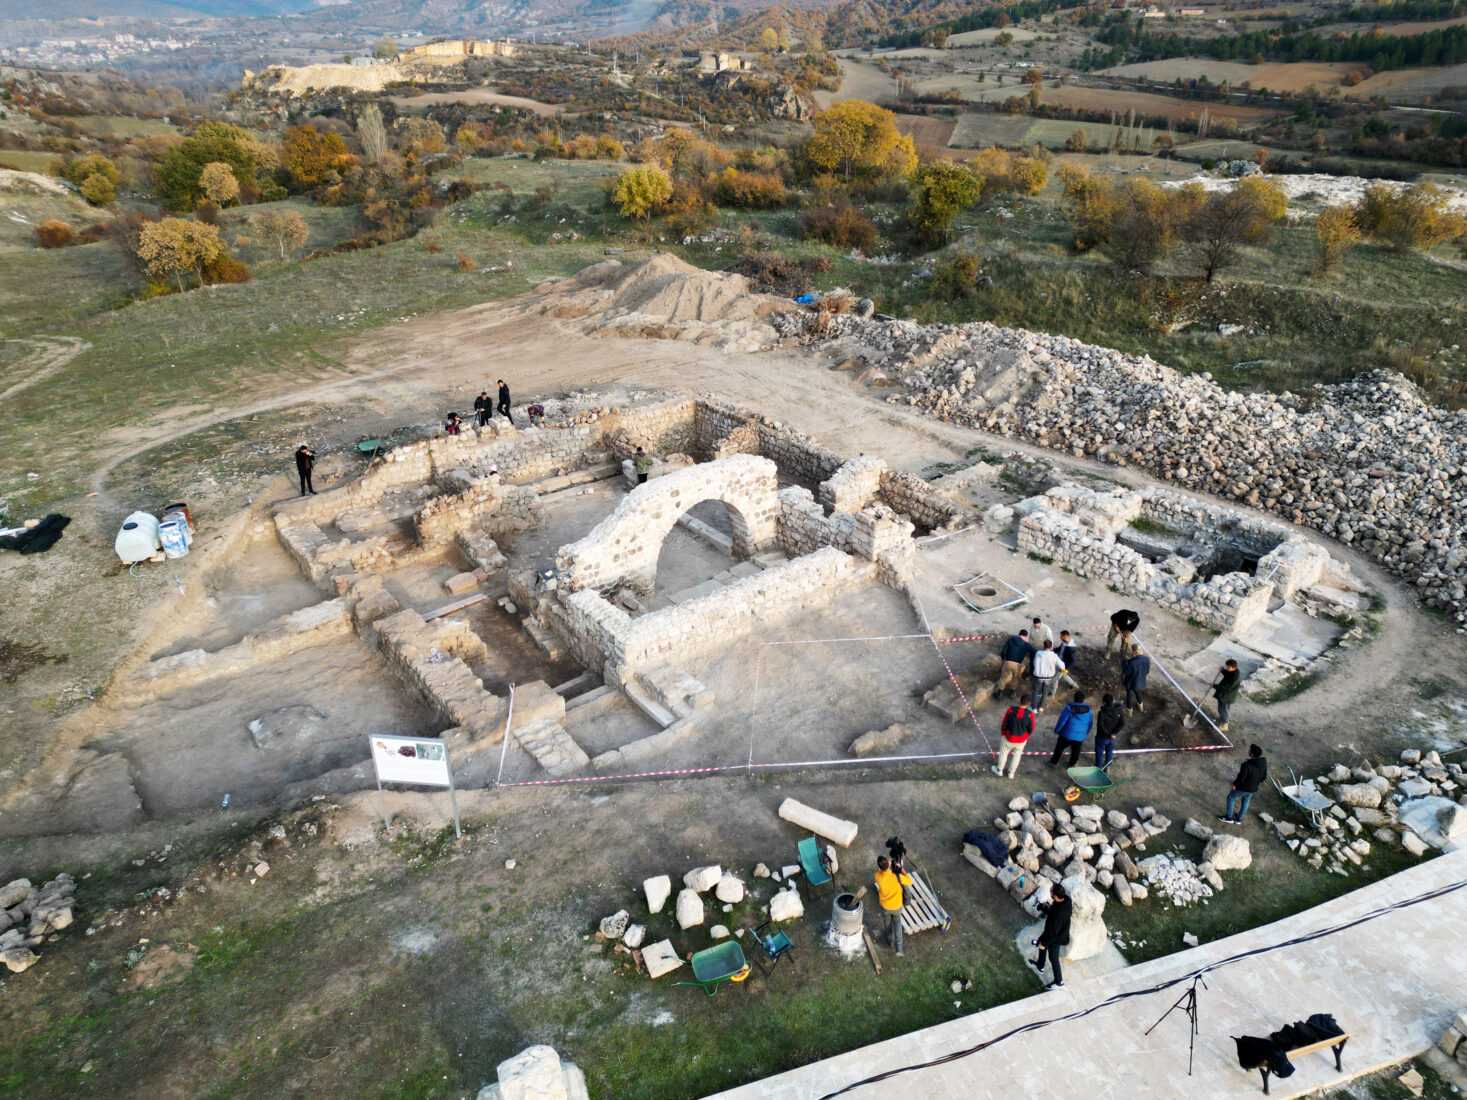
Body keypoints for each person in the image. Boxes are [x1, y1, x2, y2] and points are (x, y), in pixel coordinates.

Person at [1031, 883, 1071, 989]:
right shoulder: (1066, 900)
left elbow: (1053, 932)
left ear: (1056, 896)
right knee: (1040, 943)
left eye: (1051, 892)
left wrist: (1045, 944)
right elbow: (1053, 913)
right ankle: (1040, 966)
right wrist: (1045, 908)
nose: (1050, 892)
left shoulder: (1060, 913)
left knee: (1053, 957)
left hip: (1056, 937)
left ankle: (1059, 981)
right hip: (1052, 931)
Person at [874, 854, 912, 958]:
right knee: (897, 924)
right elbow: (909, 881)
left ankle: (890, 942)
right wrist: (902, 869)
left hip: (885, 907)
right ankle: (899, 948)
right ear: (889, 864)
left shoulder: (878, 877)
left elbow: (882, 872)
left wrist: (887, 865)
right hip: (896, 907)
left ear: (879, 868)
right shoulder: (897, 877)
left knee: (887, 924)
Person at [1220, 744, 1268, 824]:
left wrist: (1235, 785)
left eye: (1249, 750)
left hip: (1244, 788)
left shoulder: (1246, 765)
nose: (1248, 751)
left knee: (1230, 798)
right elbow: (1264, 777)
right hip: (1253, 788)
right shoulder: (1263, 764)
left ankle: (1229, 817)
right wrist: (1255, 782)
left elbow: (1241, 778)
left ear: (1252, 754)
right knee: (1246, 801)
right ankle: (1238, 818)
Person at [1046, 692, 1093, 769]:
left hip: (1067, 734)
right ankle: (1072, 764)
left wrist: (1057, 731)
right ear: (1083, 700)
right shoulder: (1089, 710)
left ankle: (1054, 762)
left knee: (1059, 747)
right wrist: (1085, 733)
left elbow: (1062, 721)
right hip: (1080, 736)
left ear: (1074, 699)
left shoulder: (1068, 708)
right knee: (1076, 750)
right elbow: (1090, 723)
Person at [994, 694, 1035, 779]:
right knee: (1017, 755)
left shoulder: (1010, 711)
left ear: (1020, 701)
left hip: (1009, 737)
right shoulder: (1030, 715)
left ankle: (999, 770)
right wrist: (1025, 736)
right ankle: (1011, 773)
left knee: (1003, 753)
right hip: (1021, 740)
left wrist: (1003, 733)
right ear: (1029, 704)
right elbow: (1031, 729)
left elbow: (1004, 724)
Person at [994, 630, 1034, 700]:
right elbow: (1034, 651)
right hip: (1017, 664)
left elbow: (1003, 650)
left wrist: (1003, 658)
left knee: (1003, 678)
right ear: (1026, 636)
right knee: (1015, 678)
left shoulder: (1011, 640)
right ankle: (1012, 693)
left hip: (1008, 662)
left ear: (1019, 634)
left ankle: (1000, 693)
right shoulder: (1027, 645)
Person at [1030, 639, 1063, 712]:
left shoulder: (1038, 653)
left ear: (1043, 646)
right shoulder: (1054, 655)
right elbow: (1062, 665)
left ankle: (1034, 708)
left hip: (1038, 676)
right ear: (1051, 647)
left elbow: (1034, 663)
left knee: (1035, 691)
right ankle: (1041, 707)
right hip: (1049, 677)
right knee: (1045, 692)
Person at [1095, 692, 1125, 769]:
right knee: (1109, 752)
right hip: (1112, 738)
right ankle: (1108, 767)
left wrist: (1109, 734)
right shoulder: (1119, 710)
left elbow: (1101, 726)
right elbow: (1122, 723)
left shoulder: (1101, 713)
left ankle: (1098, 768)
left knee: (1099, 752)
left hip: (1102, 737)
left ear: (1104, 702)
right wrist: (1114, 733)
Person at [1212, 659, 1242, 732]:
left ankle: (1224, 725)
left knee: (1222, 709)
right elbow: (1228, 674)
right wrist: (1223, 671)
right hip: (1229, 695)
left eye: (1228, 667)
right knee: (1225, 709)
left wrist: (1214, 686)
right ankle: (1224, 719)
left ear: (1233, 667)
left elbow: (1224, 688)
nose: (1227, 668)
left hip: (1226, 696)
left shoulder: (1234, 677)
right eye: (1226, 666)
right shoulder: (1235, 671)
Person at [1121, 644, 1150, 714]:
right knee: (1137, 692)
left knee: (1129, 695)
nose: (1132, 652)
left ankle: (1129, 710)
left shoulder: (1132, 662)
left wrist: (1124, 663)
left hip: (1131, 682)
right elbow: (1147, 671)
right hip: (1140, 681)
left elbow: (1127, 672)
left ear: (1136, 652)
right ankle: (1140, 707)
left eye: (1133, 651)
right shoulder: (1147, 660)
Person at [1055, 630, 1081, 694]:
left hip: (1064, 665)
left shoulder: (1071, 648)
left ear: (1064, 637)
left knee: (1055, 679)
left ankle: (1051, 694)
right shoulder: (1064, 642)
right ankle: (1074, 686)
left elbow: (1073, 660)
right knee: (1063, 675)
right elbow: (1059, 649)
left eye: (1061, 637)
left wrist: (1066, 668)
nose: (1060, 638)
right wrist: (1050, 651)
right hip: (1060, 662)